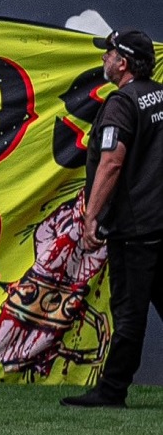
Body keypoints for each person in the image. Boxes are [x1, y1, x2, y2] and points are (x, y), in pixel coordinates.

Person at [60, 30, 163, 408]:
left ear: (123, 62)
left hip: (136, 229)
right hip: (158, 221)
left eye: (109, 53)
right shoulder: (160, 96)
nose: (103, 58)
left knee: (130, 314)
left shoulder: (122, 103)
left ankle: (112, 389)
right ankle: (112, 387)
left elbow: (112, 161)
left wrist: (90, 217)